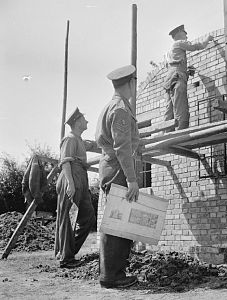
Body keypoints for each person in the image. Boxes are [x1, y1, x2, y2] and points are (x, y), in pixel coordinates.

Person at [95, 65, 140, 288]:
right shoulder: (121, 108)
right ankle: (112, 276)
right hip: (118, 169)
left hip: (111, 167)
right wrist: (132, 179)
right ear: (130, 83)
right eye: (134, 83)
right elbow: (122, 147)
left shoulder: (110, 106)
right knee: (118, 223)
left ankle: (112, 273)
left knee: (117, 220)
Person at [55, 107, 96, 268]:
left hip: (81, 177)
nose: (87, 122)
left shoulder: (78, 139)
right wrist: (70, 184)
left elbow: (90, 144)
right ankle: (66, 258)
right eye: (84, 119)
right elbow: (65, 162)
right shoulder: (70, 139)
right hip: (70, 176)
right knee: (67, 217)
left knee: (89, 216)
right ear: (78, 122)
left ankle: (69, 251)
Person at [164, 24, 214, 130]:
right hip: (177, 78)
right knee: (181, 109)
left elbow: (174, 67)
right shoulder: (178, 43)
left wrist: (186, 73)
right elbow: (195, 46)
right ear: (179, 34)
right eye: (185, 34)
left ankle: (167, 134)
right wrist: (207, 40)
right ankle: (180, 136)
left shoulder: (169, 53)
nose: (187, 36)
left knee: (170, 111)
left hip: (170, 80)